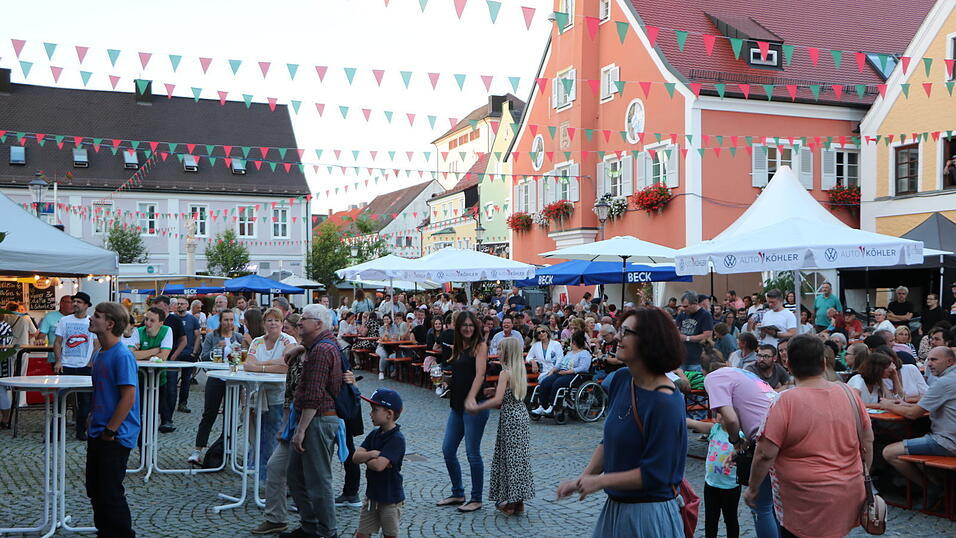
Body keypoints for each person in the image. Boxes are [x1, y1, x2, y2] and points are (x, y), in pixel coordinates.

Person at [556, 307, 686, 537]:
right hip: (616, 509)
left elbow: (656, 473)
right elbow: (609, 441)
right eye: (620, 330)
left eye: (626, 332)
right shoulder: (622, 379)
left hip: (647, 516)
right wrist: (584, 478)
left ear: (649, 341)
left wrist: (599, 482)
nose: (617, 336)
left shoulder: (666, 401)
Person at [744, 334, 874, 538]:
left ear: (788, 364)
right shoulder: (849, 393)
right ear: (823, 362)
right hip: (848, 489)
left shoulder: (784, 401)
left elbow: (765, 454)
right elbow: (867, 441)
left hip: (802, 498)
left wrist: (753, 489)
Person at [284, 304, 343, 538]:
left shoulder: (321, 350)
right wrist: (299, 348)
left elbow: (314, 395)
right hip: (313, 419)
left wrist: (301, 430)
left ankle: (328, 532)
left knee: (319, 480)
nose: (299, 324)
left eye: (303, 320)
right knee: (295, 475)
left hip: (317, 420)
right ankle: (310, 526)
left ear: (318, 324)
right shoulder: (317, 345)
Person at [703, 363, 779, 537]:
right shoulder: (742, 373)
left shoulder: (712, 378)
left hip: (767, 438)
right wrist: (742, 448)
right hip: (780, 432)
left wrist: (736, 442)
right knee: (774, 506)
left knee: (761, 507)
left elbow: (730, 420)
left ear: (704, 371)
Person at [85, 301, 140, 538]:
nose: (90, 318)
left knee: (110, 491)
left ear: (109, 324)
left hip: (116, 434)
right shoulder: (100, 353)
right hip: (99, 430)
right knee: (95, 488)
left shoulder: (122, 355)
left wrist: (110, 430)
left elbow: (128, 397)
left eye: (96, 316)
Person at [466, 338, 533, 515]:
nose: (498, 353)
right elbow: (510, 393)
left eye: (501, 350)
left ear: (507, 352)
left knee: (509, 460)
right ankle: (519, 502)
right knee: (519, 460)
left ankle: (510, 504)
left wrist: (479, 406)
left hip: (510, 418)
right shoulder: (519, 370)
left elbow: (498, 401)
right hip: (521, 415)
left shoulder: (505, 373)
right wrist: (494, 391)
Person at [881, 346, 956, 503]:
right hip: (946, 438)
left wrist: (888, 405)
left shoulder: (945, 382)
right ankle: (939, 487)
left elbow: (913, 414)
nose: (929, 364)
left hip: (948, 442)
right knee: (916, 441)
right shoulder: (951, 379)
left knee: (889, 452)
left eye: (934, 359)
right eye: (928, 359)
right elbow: (919, 407)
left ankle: (930, 488)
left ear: (949, 362)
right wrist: (900, 404)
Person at [437, 311, 489, 514]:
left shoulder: (480, 346)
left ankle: (476, 498)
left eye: (470, 325)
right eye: (464, 325)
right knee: (448, 450)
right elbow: (458, 373)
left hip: (474, 407)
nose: (468, 328)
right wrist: (445, 380)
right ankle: (458, 492)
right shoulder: (458, 347)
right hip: (456, 406)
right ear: (458, 327)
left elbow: (480, 374)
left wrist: (471, 397)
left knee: (472, 454)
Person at [245, 308, 295, 481]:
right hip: (257, 395)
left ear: (282, 323)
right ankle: (259, 471)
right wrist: (271, 365)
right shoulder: (258, 341)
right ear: (263, 323)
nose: (273, 323)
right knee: (257, 434)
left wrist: (261, 366)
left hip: (278, 396)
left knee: (273, 434)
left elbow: (287, 365)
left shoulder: (288, 340)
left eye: (277, 320)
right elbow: (248, 364)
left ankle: (273, 478)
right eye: (269, 320)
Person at [188, 309, 241, 465]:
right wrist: (217, 347)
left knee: (230, 415)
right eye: (226, 320)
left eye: (231, 320)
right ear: (220, 321)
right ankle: (198, 449)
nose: (229, 323)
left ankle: (225, 449)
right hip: (216, 377)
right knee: (209, 413)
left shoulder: (238, 337)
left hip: (233, 378)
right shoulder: (212, 336)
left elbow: (244, 358)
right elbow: (204, 356)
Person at [353, 388, 406, 538]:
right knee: (362, 534)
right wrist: (372, 454)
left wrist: (367, 459)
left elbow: (378, 466)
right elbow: (355, 457)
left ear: (389, 414)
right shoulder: (374, 434)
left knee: (390, 534)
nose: (370, 413)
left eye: (375, 410)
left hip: (390, 499)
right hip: (372, 496)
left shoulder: (397, 439)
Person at [687, 413, 742, 538]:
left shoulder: (739, 434)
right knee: (710, 520)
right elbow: (692, 423)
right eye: (719, 412)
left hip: (731, 486)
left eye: (725, 412)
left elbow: (746, 448)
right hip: (711, 485)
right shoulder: (714, 429)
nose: (722, 416)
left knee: (731, 520)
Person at [54, 291, 98, 440]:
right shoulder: (64, 321)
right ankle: (57, 430)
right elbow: (58, 342)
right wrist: (58, 361)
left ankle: (81, 430)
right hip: (66, 364)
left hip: (85, 366)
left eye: (79, 302)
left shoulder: (91, 321)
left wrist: (92, 361)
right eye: (74, 301)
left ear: (86, 305)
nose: (75, 304)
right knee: (61, 398)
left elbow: (96, 344)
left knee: (85, 400)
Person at [532, 330, 590, 416]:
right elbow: (561, 364)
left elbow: (583, 368)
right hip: (562, 372)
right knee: (545, 382)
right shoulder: (569, 353)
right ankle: (542, 406)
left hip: (575, 375)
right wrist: (553, 370)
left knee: (557, 383)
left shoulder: (585, 353)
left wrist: (568, 371)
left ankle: (553, 406)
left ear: (573, 342)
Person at [173, 298, 201, 413]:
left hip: (188, 353)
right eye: (178, 304)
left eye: (182, 304)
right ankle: (170, 403)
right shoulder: (172, 318)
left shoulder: (192, 319)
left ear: (187, 305)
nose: (180, 305)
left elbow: (197, 336)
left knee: (186, 380)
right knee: (172, 380)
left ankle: (183, 403)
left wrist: (194, 352)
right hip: (174, 354)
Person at [675, 290, 714, 372]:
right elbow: (676, 329)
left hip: (697, 359)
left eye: (686, 306)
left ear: (695, 303)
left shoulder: (705, 315)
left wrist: (687, 338)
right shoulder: (682, 314)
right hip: (682, 358)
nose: (684, 308)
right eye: (683, 306)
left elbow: (707, 335)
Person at [39, 294, 73, 362]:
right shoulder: (50, 316)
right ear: (61, 304)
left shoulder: (76, 317)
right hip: (55, 357)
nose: (73, 305)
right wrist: (40, 340)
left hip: (74, 358)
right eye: (70, 302)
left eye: (74, 302)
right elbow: (42, 335)